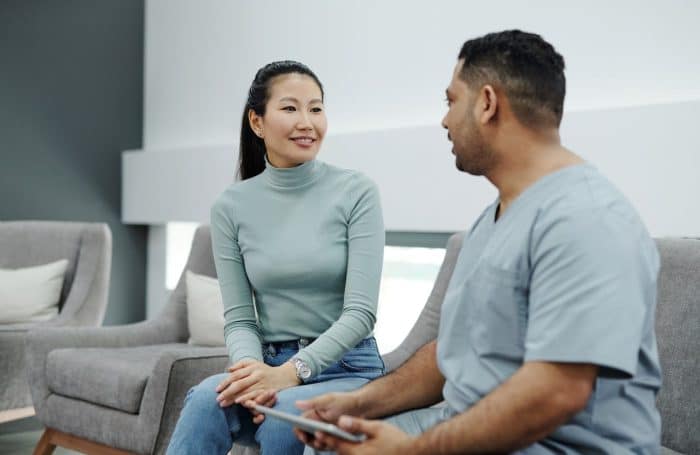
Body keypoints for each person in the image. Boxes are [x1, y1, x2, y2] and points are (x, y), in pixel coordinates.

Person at [292, 30, 662, 454]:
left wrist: (411, 451)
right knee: (327, 444)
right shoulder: (494, 218)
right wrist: (358, 403)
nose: (445, 119)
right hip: (466, 423)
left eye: (451, 101)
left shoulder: (588, 220)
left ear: (487, 103)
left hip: (557, 446)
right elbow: (454, 354)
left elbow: (556, 393)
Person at [166, 60, 386, 455]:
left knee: (285, 412)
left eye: (316, 108)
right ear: (257, 122)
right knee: (204, 400)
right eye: (290, 108)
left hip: (348, 367)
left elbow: (361, 314)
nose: (307, 122)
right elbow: (239, 318)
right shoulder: (230, 207)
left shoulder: (357, 192)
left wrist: (289, 374)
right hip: (268, 362)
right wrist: (253, 374)